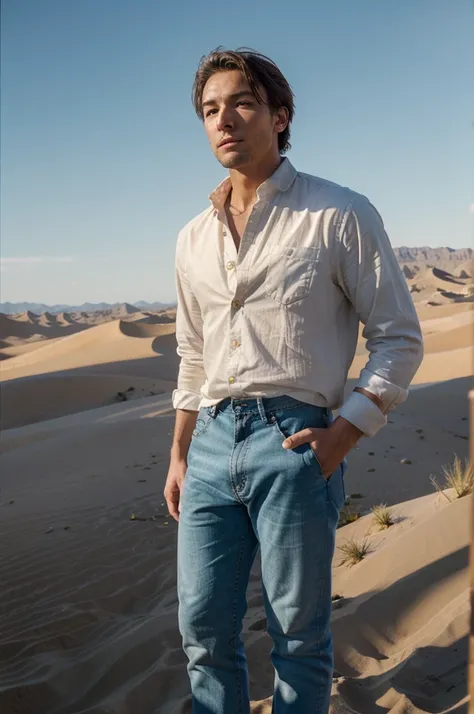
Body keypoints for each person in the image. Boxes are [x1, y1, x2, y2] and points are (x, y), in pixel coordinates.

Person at [164, 47, 424, 714]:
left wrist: (345, 433)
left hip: (297, 441)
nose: (225, 119)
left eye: (242, 103)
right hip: (211, 446)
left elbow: (398, 336)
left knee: (299, 637)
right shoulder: (192, 239)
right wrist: (179, 453)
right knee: (201, 631)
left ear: (280, 117)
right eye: (210, 109)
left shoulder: (339, 213)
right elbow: (193, 356)